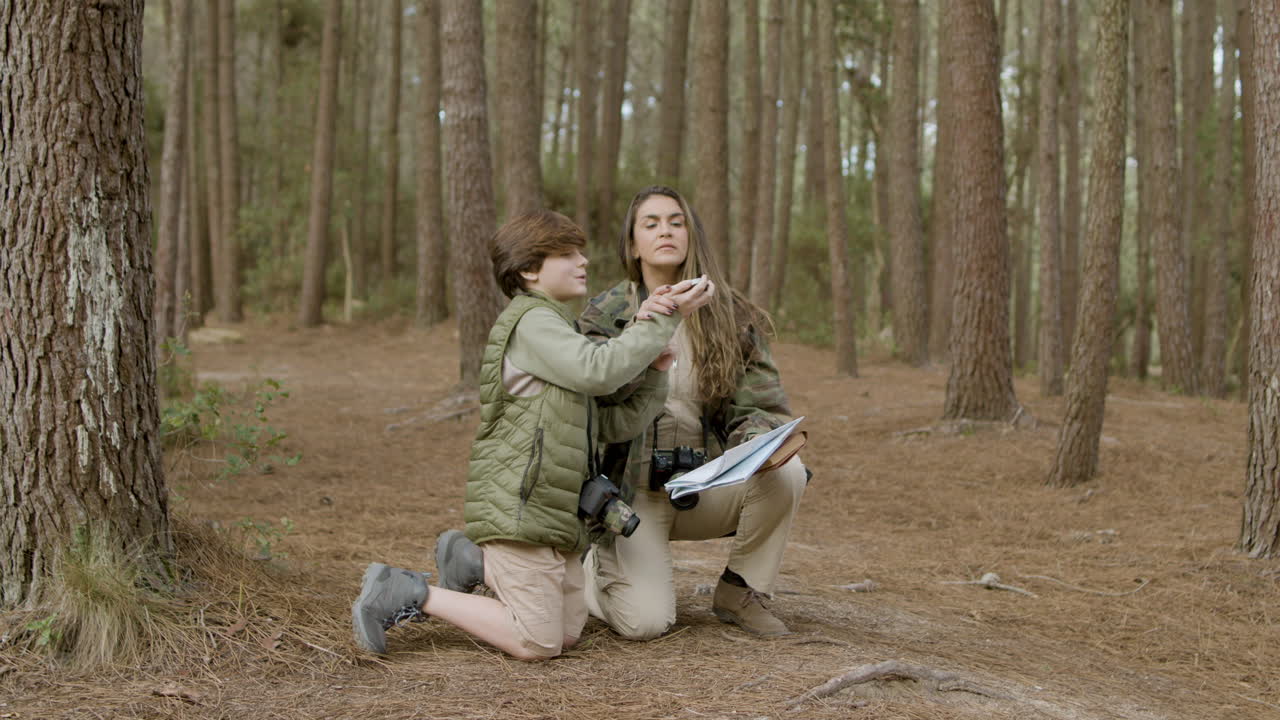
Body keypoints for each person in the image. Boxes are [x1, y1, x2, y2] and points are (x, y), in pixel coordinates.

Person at [351, 210, 715, 660]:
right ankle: (406, 591)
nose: (582, 261)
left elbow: (611, 424)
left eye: (580, 251)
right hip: (520, 504)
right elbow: (598, 371)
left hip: (552, 512)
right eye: (566, 254)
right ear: (528, 270)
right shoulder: (532, 322)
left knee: (564, 635)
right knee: (537, 640)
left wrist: (657, 371)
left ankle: (473, 562)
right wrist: (662, 319)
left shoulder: (559, 327)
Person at [575, 186, 808, 639]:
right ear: (632, 244)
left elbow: (761, 404)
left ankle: (739, 591)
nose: (665, 231)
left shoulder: (730, 314)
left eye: (676, 222)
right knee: (645, 623)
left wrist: (750, 451)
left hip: (704, 488)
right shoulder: (606, 313)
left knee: (787, 471)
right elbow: (592, 397)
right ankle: (586, 573)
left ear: (691, 235)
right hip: (630, 498)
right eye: (651, 223)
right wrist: (642, 330)